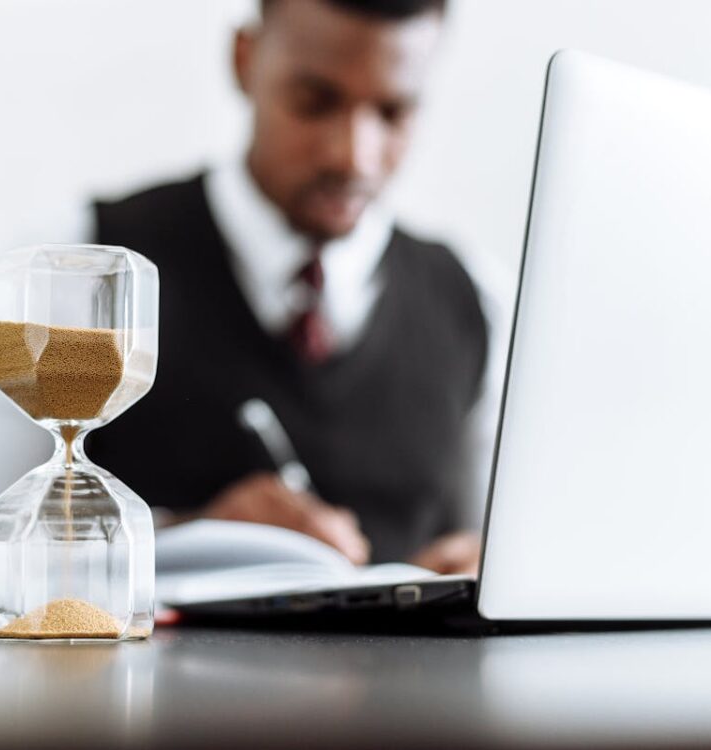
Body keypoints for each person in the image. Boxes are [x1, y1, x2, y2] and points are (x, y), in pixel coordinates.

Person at [89, 0, 496, 575]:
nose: (353, 157)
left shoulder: (475, 294)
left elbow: (503, 547)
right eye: (315, 101)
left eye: (393, 112)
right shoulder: (93, 263)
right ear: (244, 60)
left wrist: (488, 566)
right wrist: (182, 539)